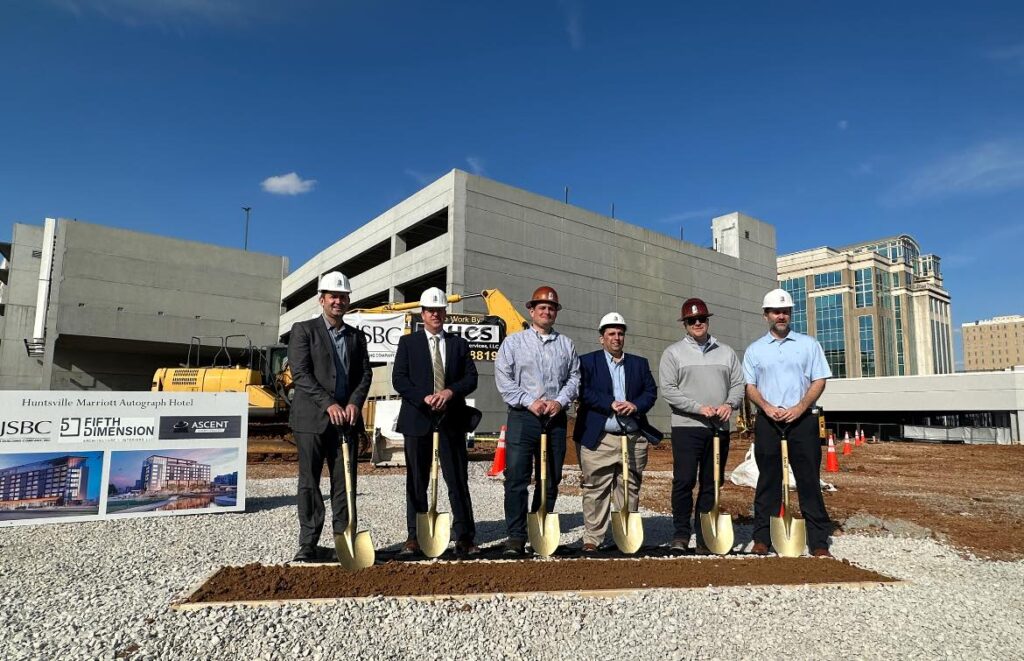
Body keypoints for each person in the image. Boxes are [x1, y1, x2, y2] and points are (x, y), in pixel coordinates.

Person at [287, 271, 373, 562]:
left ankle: (345, 539)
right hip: (311, 420)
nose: (338, 301)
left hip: (346, 422)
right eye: (333, 296)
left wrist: (354, 403)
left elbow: (364, 374)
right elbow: (301, 374)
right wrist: (329, 404)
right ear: (321, 299)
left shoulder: (356, 336)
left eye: (343, 296)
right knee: (309, 482)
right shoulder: (303, 331)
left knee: (345, 482)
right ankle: (308, 543)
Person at [743, 288, 833, 557]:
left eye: (785, 311)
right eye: (775, 311)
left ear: (790, 314)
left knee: (808, 480)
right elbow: (750, 386)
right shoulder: (755, 350)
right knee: (768, 480)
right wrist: (768, 408)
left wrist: (800, 407)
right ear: (765, 315)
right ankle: (762, 538)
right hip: (769, 422)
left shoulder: (809, 345)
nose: (780, 315)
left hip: (802, 420)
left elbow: (819, 380)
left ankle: (818, 542)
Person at [392, 287, 480, 557]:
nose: (435, 314)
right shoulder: (409, 343)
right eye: (431, 310)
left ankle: (464, 536)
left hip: (451, 419)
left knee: (457, 479)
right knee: (416, 480)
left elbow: (470, 378)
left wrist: (449, 392)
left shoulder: (458, 344)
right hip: (418, 419)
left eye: (440, 310)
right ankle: (415, 536)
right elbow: (400, 379)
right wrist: (424, 397)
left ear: (445, 312)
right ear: (423, 313)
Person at [494, 285, 580, 556]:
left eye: (551, 307)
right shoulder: (514, 343)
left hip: (554, 419)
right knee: (517, 478)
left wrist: (559, 401)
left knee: (550, 477)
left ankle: (539, 527)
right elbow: (504, 378)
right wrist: (529, 401)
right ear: (531, 310)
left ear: (556, 312)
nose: (546, 311)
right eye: (541, 307)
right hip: (523, 417)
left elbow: (574, 378)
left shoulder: (566, 345)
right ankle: (516, 536)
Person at [660, 297, 744, 554]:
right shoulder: (673, 353)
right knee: (684, 481)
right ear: (684, 324)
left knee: (712, 481)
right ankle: (681, 533)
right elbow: (668, 390)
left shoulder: (726, 352)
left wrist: (729, 404)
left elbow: (738, 385)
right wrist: (698, 408)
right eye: (691, 320)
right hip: (687, 427)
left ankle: (705, 532)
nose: (697, 323)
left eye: (701, 319)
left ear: (707, 321)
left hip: (719, 428)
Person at [573, 312, 660, 552]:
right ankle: (593, 538)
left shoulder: (638, 364)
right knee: (596, 488)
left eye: (620, 333)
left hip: (632, 437)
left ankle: (623, 536)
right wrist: (609, 403)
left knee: (629, 486)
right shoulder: (587, 362)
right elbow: (582, 391)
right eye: (611, 333)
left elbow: (650, 392)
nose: (616, 338)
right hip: (599, 439)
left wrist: (635, 405)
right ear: (601, 338)